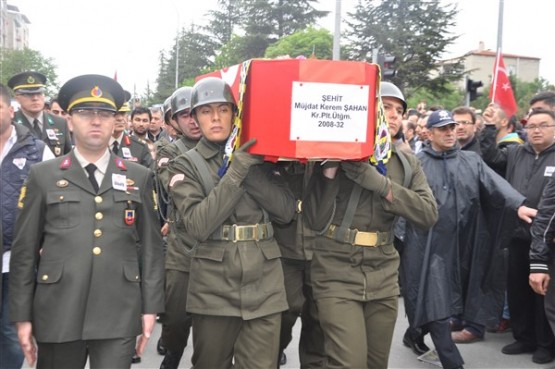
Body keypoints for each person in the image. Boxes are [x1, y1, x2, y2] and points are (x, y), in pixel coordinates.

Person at [9, 74, 165, 369]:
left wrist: (150, 308)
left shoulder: (138, 176)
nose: (96, 121)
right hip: (58, 310)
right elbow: (24, 250)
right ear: (69, 120)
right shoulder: (44, 175)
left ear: (116, 121)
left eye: (105, 114)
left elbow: (152, 249)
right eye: (85, 113)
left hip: (118, 308)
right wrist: (22, 315)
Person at [302, 81, 438, 369]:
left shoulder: (406, 163)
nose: (394, 115)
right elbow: (313, 220)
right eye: (386, 107)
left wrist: (384, 186)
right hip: (335, 269)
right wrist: (329, 169)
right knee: (348, 362)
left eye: (399, 110)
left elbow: (428, 215)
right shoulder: (333, 156)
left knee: (377, 363)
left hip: (383, 273)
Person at [167, 77, 294, 369]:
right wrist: (236, 171)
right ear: (196, 117)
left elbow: (286, 212)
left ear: (234, 114)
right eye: (206, 111)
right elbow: (199, 225)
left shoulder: (262, 157)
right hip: (214, 285)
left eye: (223, 110)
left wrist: (249, 166)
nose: (215, 118)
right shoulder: (185, 164)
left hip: (265, 282)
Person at [402, 109, 534, 369]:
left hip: (465, 244)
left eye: (452, 127)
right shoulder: (416, 163)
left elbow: (496, 186)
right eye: (443, 128)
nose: (450, 132)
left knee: (453, 297)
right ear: (429, 133)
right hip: (429, 246)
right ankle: (452, 362)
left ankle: (414, 332)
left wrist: (517, 205)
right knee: (437, 301)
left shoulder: (471, 161)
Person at [480, 108, 555, 364]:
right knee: (517, 289)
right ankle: (523, 337)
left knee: (542, 293)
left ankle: (545, 343)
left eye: (543, 125)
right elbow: (488, 156)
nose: (536, 130)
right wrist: (489, 126)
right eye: (531, 125)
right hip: (516, 233)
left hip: (547, 239)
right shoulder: (515, 152)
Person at [0, 83, 54, 368]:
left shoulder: (36, 150)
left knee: (11, 334)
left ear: (11, 110)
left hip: (15, 260)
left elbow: (53, 200)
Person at [155, 86, 202, 369]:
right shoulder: (168, 150)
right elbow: (172, 187)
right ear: (173, 121)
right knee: (175, 315)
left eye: (196, 113)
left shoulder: (227, 147)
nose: (193, 120)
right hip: (183, 246)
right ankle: (172, 354)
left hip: (218, 248)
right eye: (184, 115)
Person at [274, 160, 326, 368]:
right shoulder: (279, 155)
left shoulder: (329, 155)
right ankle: (274, 350)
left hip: (321, 247)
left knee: (319, 318)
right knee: (284, 313)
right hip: (285, 247)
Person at [8, 71, 72, 157]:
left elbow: (68, 156)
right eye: (28, 94)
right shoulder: (10, 123)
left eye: (39, 93)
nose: (35, 98)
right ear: (17, 98)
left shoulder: (60, 123)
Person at [110, 104, 153, 169]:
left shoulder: (140, 147)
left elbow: (150, 176)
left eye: (123, 114)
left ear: (127, 118)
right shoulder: (95, 145)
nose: (120, 118)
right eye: (115, 114)